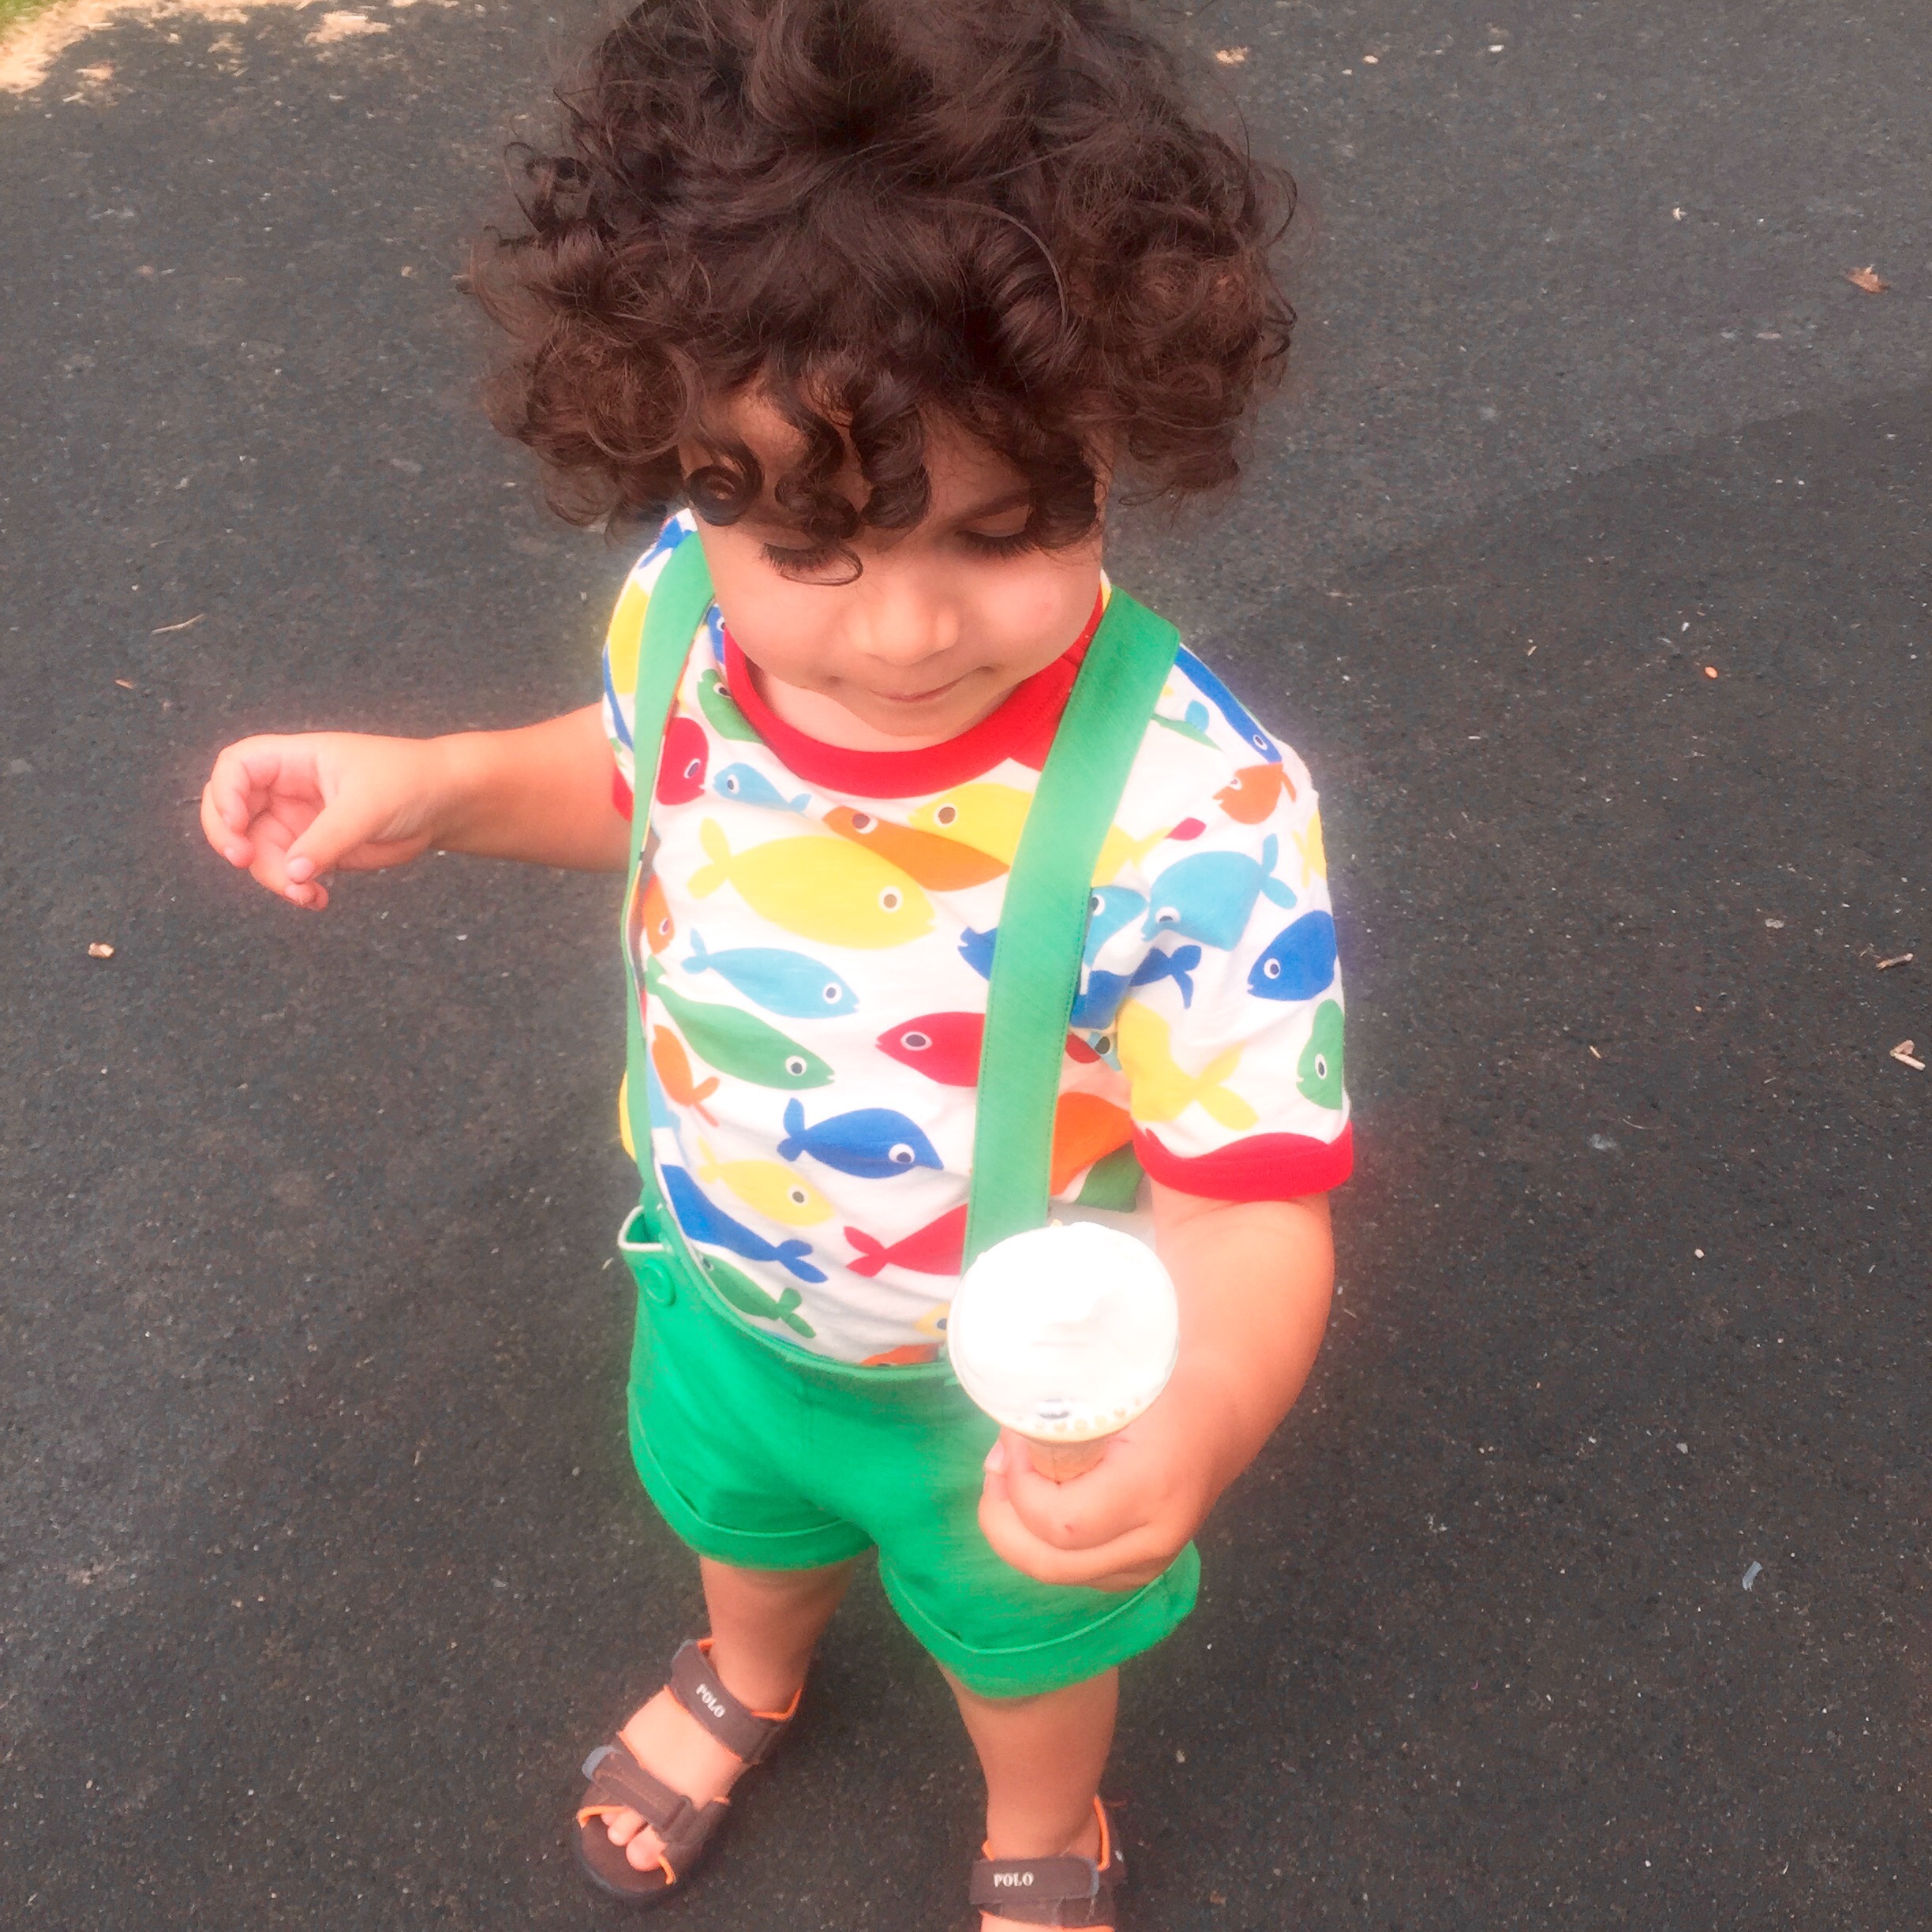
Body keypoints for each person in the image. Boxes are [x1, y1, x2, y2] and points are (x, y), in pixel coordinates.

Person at [198, 2, 1351, 1924]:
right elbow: (644, 783)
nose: (900, 630)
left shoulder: (1195, 816)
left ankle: (1043, 1823)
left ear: (1118, 430)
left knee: (1026, 1653)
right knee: (739, 1524)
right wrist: (449, 785)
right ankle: (748, 1670)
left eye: (1004, 529)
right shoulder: (685, 612)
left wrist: (1201, 1412)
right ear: (683, 455)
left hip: (1011, 1399)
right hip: (724, 1297)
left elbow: (1248, 1200)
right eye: (814, 542)